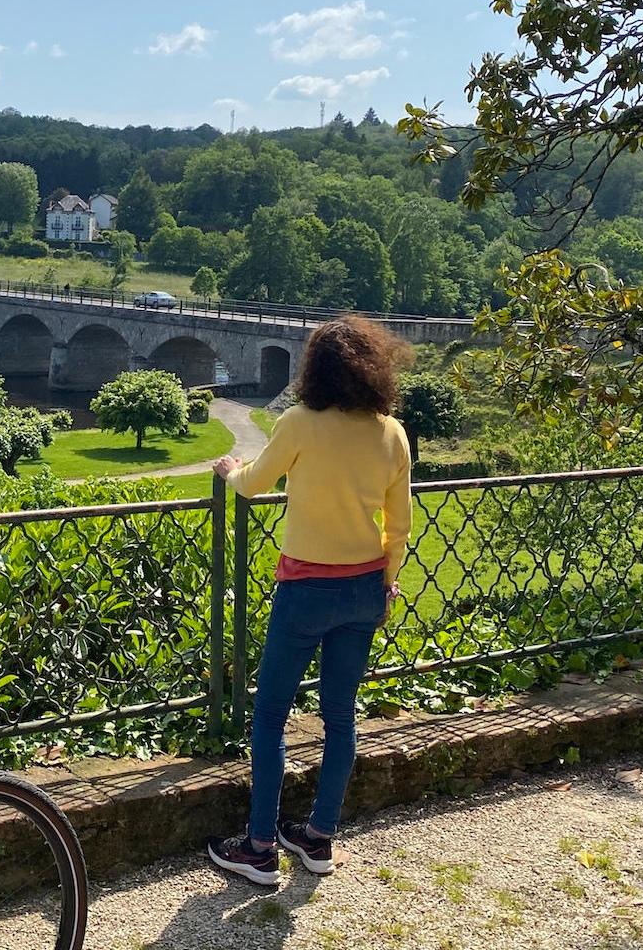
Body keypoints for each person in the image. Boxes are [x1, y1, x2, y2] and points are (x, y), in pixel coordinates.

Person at [204, 317, 413, 886]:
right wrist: (388, 579)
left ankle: (260, 847)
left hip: (306, 589)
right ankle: (318, 838)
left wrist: (229, 471)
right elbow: (400, 525)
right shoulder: (391, 432)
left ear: (316, 367)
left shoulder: (299, 422)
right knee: (339, 716)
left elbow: (255, 483)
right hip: (365, 586)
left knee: (270, 717)